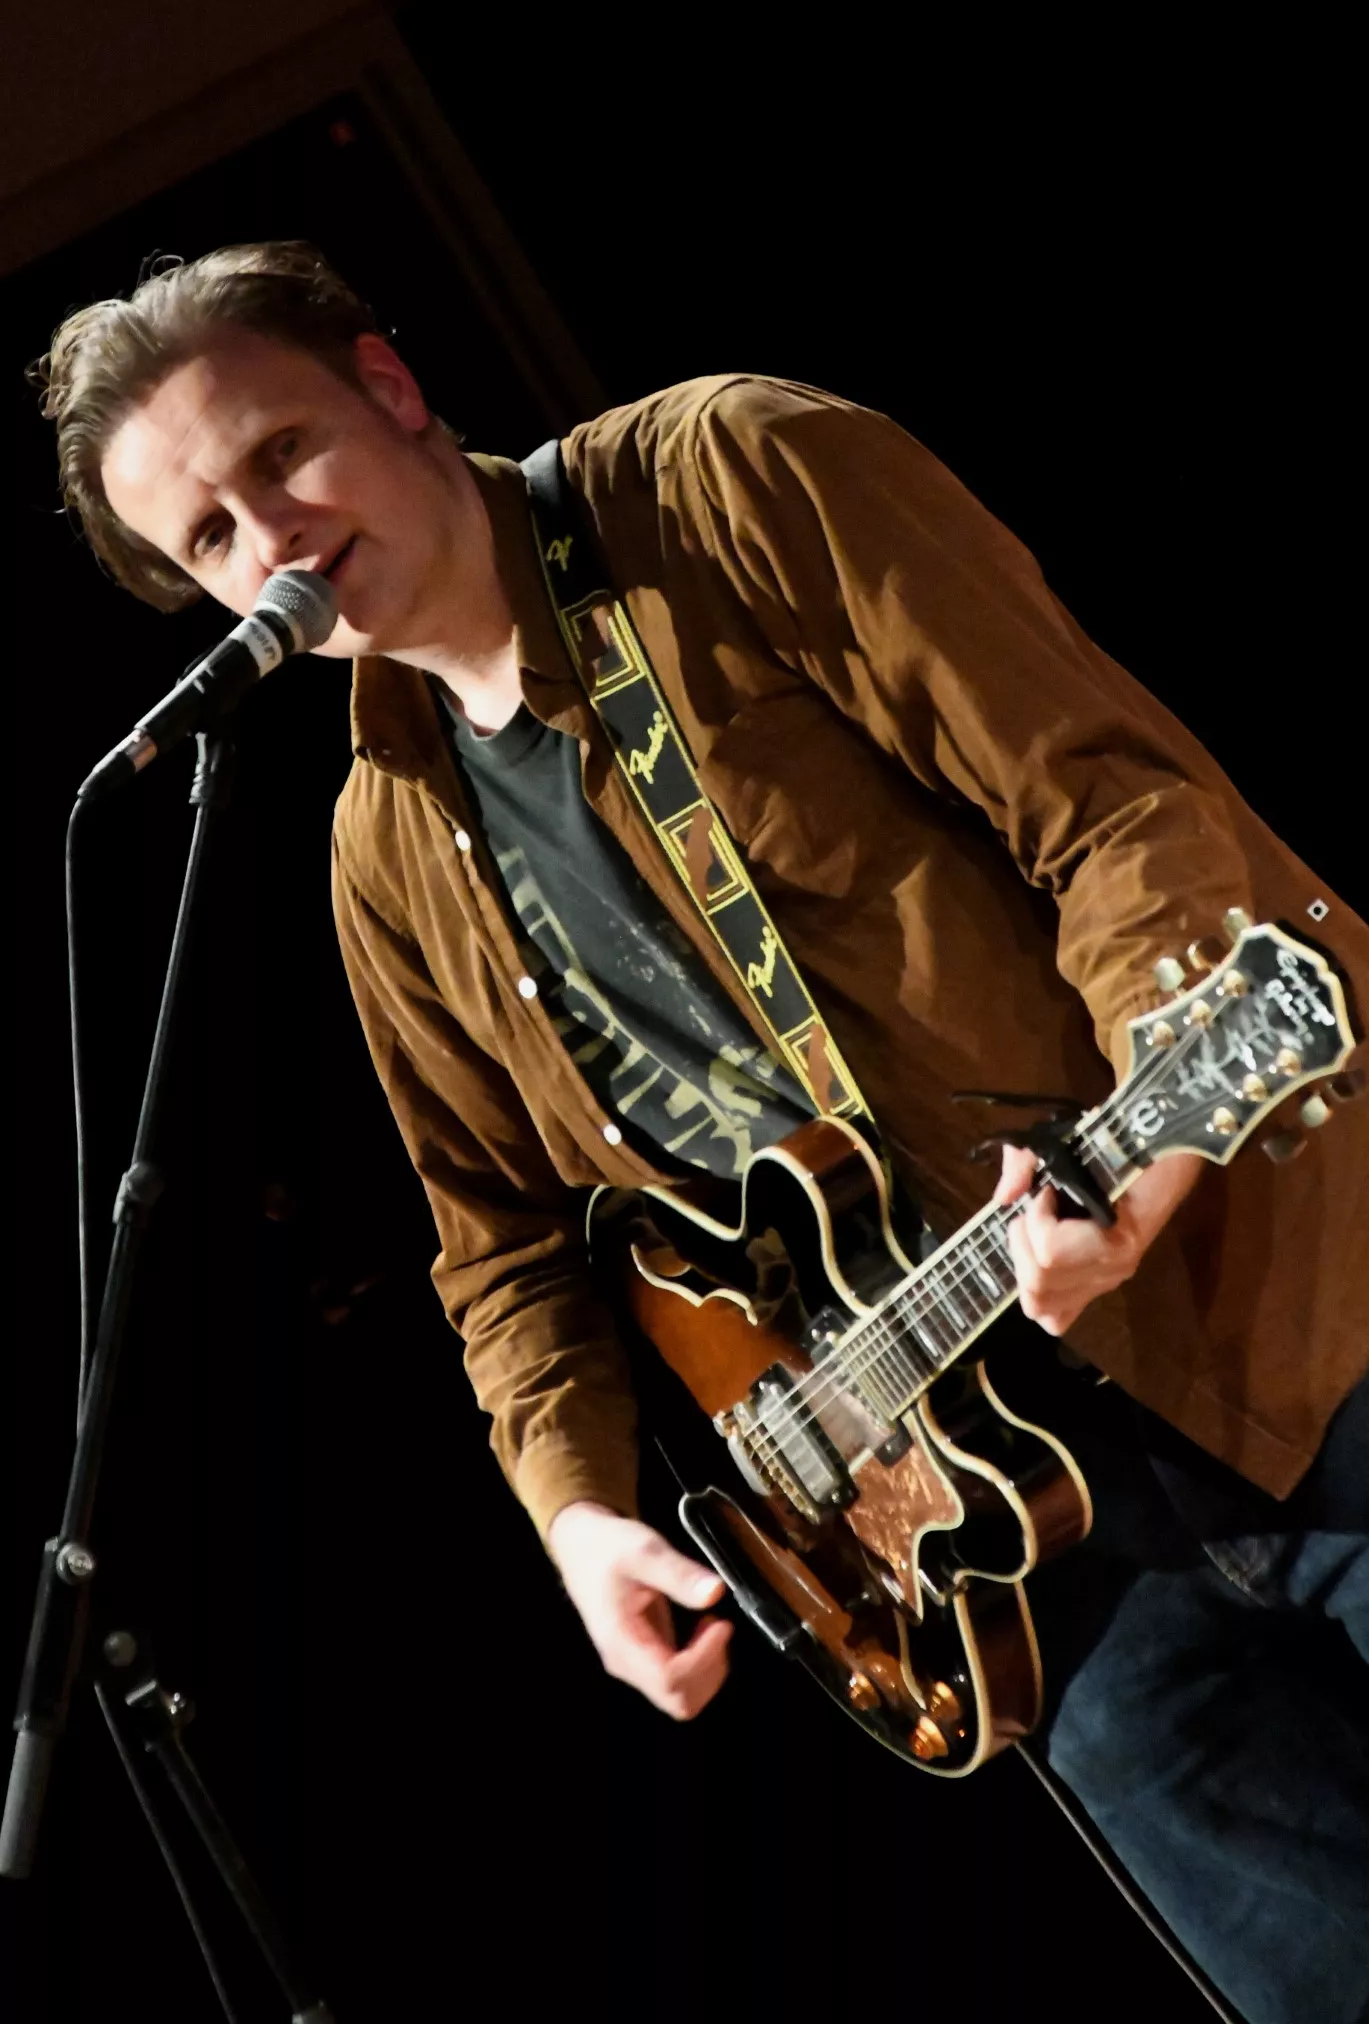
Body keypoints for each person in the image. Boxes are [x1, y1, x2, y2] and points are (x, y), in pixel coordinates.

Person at [38, 243, 1369, 2024]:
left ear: (390, 387)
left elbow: (1110, 800)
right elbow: (500, 1250)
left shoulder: (725, 479)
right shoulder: (382, 856)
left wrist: (1152, 1136)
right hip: (1019, 1556)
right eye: (209, 535)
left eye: (281, 453)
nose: (269, 536)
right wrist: (581, 1518)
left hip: (1285, 1302)